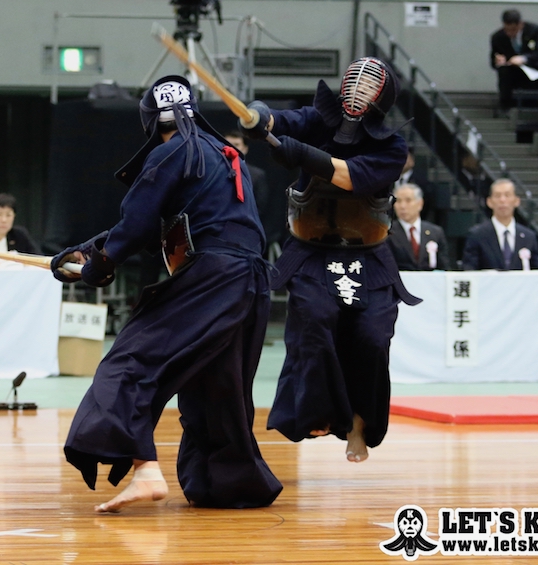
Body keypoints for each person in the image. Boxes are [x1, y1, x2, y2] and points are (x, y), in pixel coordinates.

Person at [50, 75, 282, 512]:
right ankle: (230, 485)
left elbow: (137, 224)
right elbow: (167, 225)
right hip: (251, 282)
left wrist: (100, 264)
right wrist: (90, 251)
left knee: (130, 361)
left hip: (210, 276)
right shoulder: (225, 155)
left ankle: (145, 470)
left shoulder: (169, 152)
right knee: (217, 384)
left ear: (150, 120)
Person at [239, 57, 421, 463]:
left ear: (382, 97)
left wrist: (300, 154)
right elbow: (281, 120)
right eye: (354, 81)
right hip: (311, 251)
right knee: (315, 324)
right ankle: (318, 412)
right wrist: (260, 116)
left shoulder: (391, 147)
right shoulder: (319, 120)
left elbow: (349, 175)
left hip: (368, 255)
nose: (358, 91)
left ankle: (358, 422)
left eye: (369, 85)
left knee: (373, 339)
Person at [462, 178, 538, 270]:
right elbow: (469, 270)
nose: (502, 200)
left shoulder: (529, 237)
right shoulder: (477, 235)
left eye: (507, 195)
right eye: (497, 196)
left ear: (517, 201)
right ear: (489, 202)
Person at [490, 9, 538, 111]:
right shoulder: (497, 37)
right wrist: (498, 61)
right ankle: (506, 107)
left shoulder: (533, 30)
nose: (510, 33)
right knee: (504, 73)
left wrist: (524, 58)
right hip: (511, 71)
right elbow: (493, 61)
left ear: (520, 25)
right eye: (507, 30)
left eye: (513, 30)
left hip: (531, 68)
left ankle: (533, 106)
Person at [388, 183, 451, 271]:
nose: (402, 206)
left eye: (408, 200)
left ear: (420, 204)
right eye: (398, 201)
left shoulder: (435, 232)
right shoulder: (387, 232)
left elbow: (444, 266)